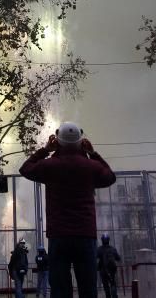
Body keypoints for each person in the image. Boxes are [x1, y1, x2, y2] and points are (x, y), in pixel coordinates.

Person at [19, 121, 116, 298]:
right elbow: (110, 176)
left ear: (58, 140)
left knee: (60, 289)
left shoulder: (49, 165)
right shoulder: (91, 167)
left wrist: (45, 150)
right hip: (85, 235)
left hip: (59, 235)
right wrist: (93, 154)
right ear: (81, 141)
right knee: (88, 288)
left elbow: (25, 169)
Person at [96, 234, 121, 298]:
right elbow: (118, 258)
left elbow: (95, 257)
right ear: (108, 240)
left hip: (103, 270)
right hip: (112, 269)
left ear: (102, 240)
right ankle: (114, 295)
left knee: (105, 284)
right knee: (112, 283)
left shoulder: (99, 249)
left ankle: (108, 296)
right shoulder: (113, 249)